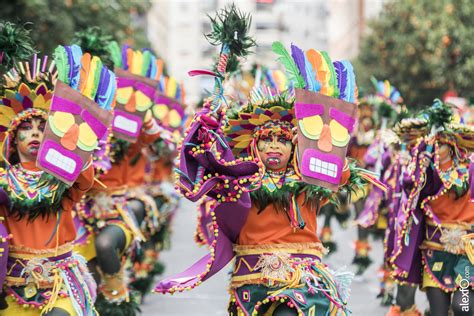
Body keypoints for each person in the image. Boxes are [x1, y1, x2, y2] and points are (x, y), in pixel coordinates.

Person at [155, 5, 386, 315]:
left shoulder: (310, 176)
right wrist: (205, 128)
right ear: (254, 145)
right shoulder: (238, 177)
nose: (274, 146)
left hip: (301, 275)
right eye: (266, 139)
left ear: (295, 146)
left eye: (282, 139)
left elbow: (340, 173)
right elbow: (199, 171)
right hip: (253, 274)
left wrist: (327, 136)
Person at [0, 33, 115, 315]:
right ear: (13, 140)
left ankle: (115, 281)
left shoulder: (62, 174)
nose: (35, 133)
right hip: (12, 287)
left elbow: (85, 177)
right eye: (27, 129)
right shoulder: (4, 181)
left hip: (59, 286)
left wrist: (80, 128)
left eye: (43, 128)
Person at [394, 100, 473, 316]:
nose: (436, 150)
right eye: (433, 145)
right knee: (438, 312)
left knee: (463, 307)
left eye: (441, 145)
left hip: (466, 254)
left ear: (453, 146)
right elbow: (409, 188)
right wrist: (420, 164)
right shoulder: (425, 171)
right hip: (434, 251)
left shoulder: (470, 169)